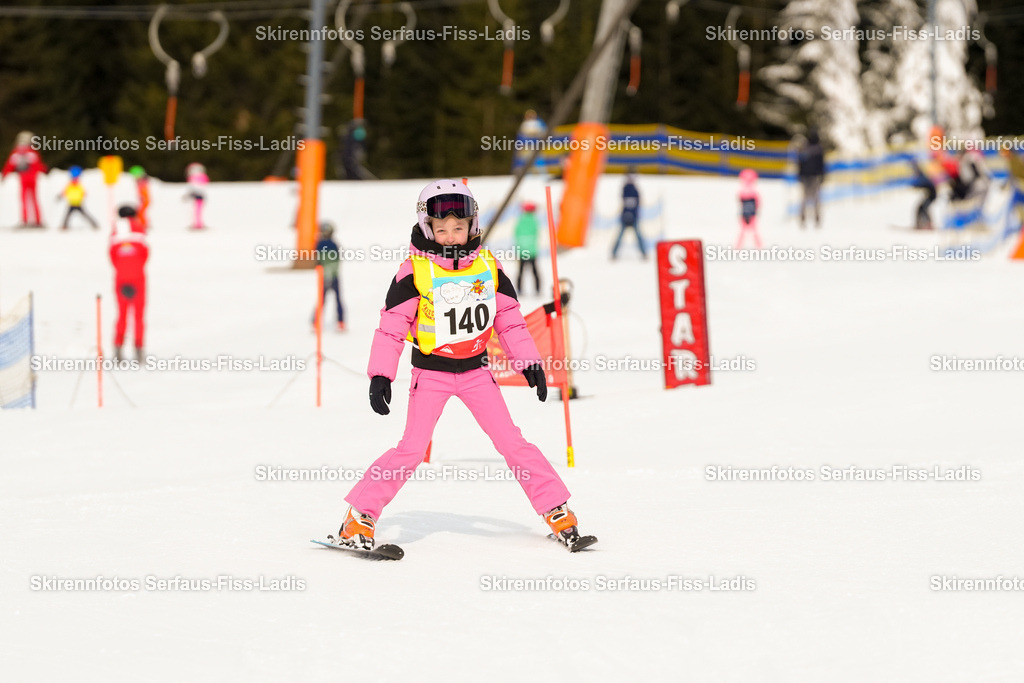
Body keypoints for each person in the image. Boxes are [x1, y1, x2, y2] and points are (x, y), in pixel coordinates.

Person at [333, 179, 591, 552]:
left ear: (472, 225)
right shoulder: (414, 271)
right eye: (442, 229)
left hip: (476, 373)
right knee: (411, 449)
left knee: (513, 442)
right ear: (428, 229)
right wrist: (381, 376)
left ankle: (557, 510)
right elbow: (391, 328)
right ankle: (358, 517)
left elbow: (510, 321)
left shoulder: (488, 266)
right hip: (431, 374)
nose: (452, 236)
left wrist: (529, 362)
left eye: (459, 227)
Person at [109, 206, 149, 362]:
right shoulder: (139, 229)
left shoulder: (115, 231)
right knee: (138, 315)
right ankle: (138, 349)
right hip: (138, 276)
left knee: (122, 314)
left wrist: (121, 269)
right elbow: (145, 253)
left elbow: (112, 255)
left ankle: (118, 348)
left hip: (121, 277)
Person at [2, 131, 48, 227]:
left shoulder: (16, 152)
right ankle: (37, 220)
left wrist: (4, 174)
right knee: (34, 199)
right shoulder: (32, 151)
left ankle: (25, 220)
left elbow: (10, 165)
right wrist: (45, 170)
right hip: (32, 178)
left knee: (24, 199)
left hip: (23, 178)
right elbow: (38, 165)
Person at [312, 221, 345, 331]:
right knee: (334, 299)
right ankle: (340, 322)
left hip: (327, 276)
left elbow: (324, 261)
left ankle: (316, 322)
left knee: (322, 300)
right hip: (331, 276)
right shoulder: (330, 244)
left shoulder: (321, 244)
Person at [612, 171, 646, 260]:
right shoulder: (626, 189)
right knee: (620, 236)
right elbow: (626, 202)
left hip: (633, 217)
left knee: (638, 236)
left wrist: (634, 215)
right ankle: (614, 253)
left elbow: (637, 204)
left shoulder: (634, 190)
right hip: (625, 217)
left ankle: (644, 253)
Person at [796, 128, 825, 228]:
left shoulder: (806, 148)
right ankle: (812, 219)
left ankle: (808, 219)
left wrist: (800, 174)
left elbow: (800, 163)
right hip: (812, 177)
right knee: (813, 199)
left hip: (809, 177)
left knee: (808, 199)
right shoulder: (817, 148)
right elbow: (821, 164)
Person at [57, 166, 99, 231]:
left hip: (78, 203)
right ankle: (64, 226)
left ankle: (94, 224)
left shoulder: (79, 186)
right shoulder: (69, 185)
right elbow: (65, 192)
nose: (75, 180)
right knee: (67, 216)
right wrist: (60, 196)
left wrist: (83, 195)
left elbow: (84, 193)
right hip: (71, 203)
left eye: (76, 179)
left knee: (85, 215)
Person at [513, 201, 541, 296]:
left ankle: (519, 289)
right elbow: (536, 234)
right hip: (532, 251)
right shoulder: (534, 221)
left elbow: (516, 234)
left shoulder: (520, 220)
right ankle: (537, 289)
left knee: (520, 272)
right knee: (535, 272)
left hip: (522, 251)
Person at [735, 168, 762, 248]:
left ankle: (738, 247)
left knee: (745, 231)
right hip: (750, 213)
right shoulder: (753, 191)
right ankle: (758, 246)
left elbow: (740, 200)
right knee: (752, 230)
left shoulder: (743, 191)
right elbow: (757, 203)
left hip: (745, 213)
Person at [184, 163, 208, 230]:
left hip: (197, 196)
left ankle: (198, 224)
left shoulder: (193, 178)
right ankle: (198, 224)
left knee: (197, 211)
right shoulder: (202, 177)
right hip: (199, 196)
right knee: (197, 211)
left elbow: (194, 187)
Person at [129, 165, 151, 232]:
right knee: (140, 213)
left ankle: (143, 225)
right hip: (143, 200)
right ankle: (142, 224)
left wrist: (143, 198)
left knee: (141, 213)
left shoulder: (142, 182)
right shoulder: (141, 181)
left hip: (144, 200)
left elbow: (144, 192)